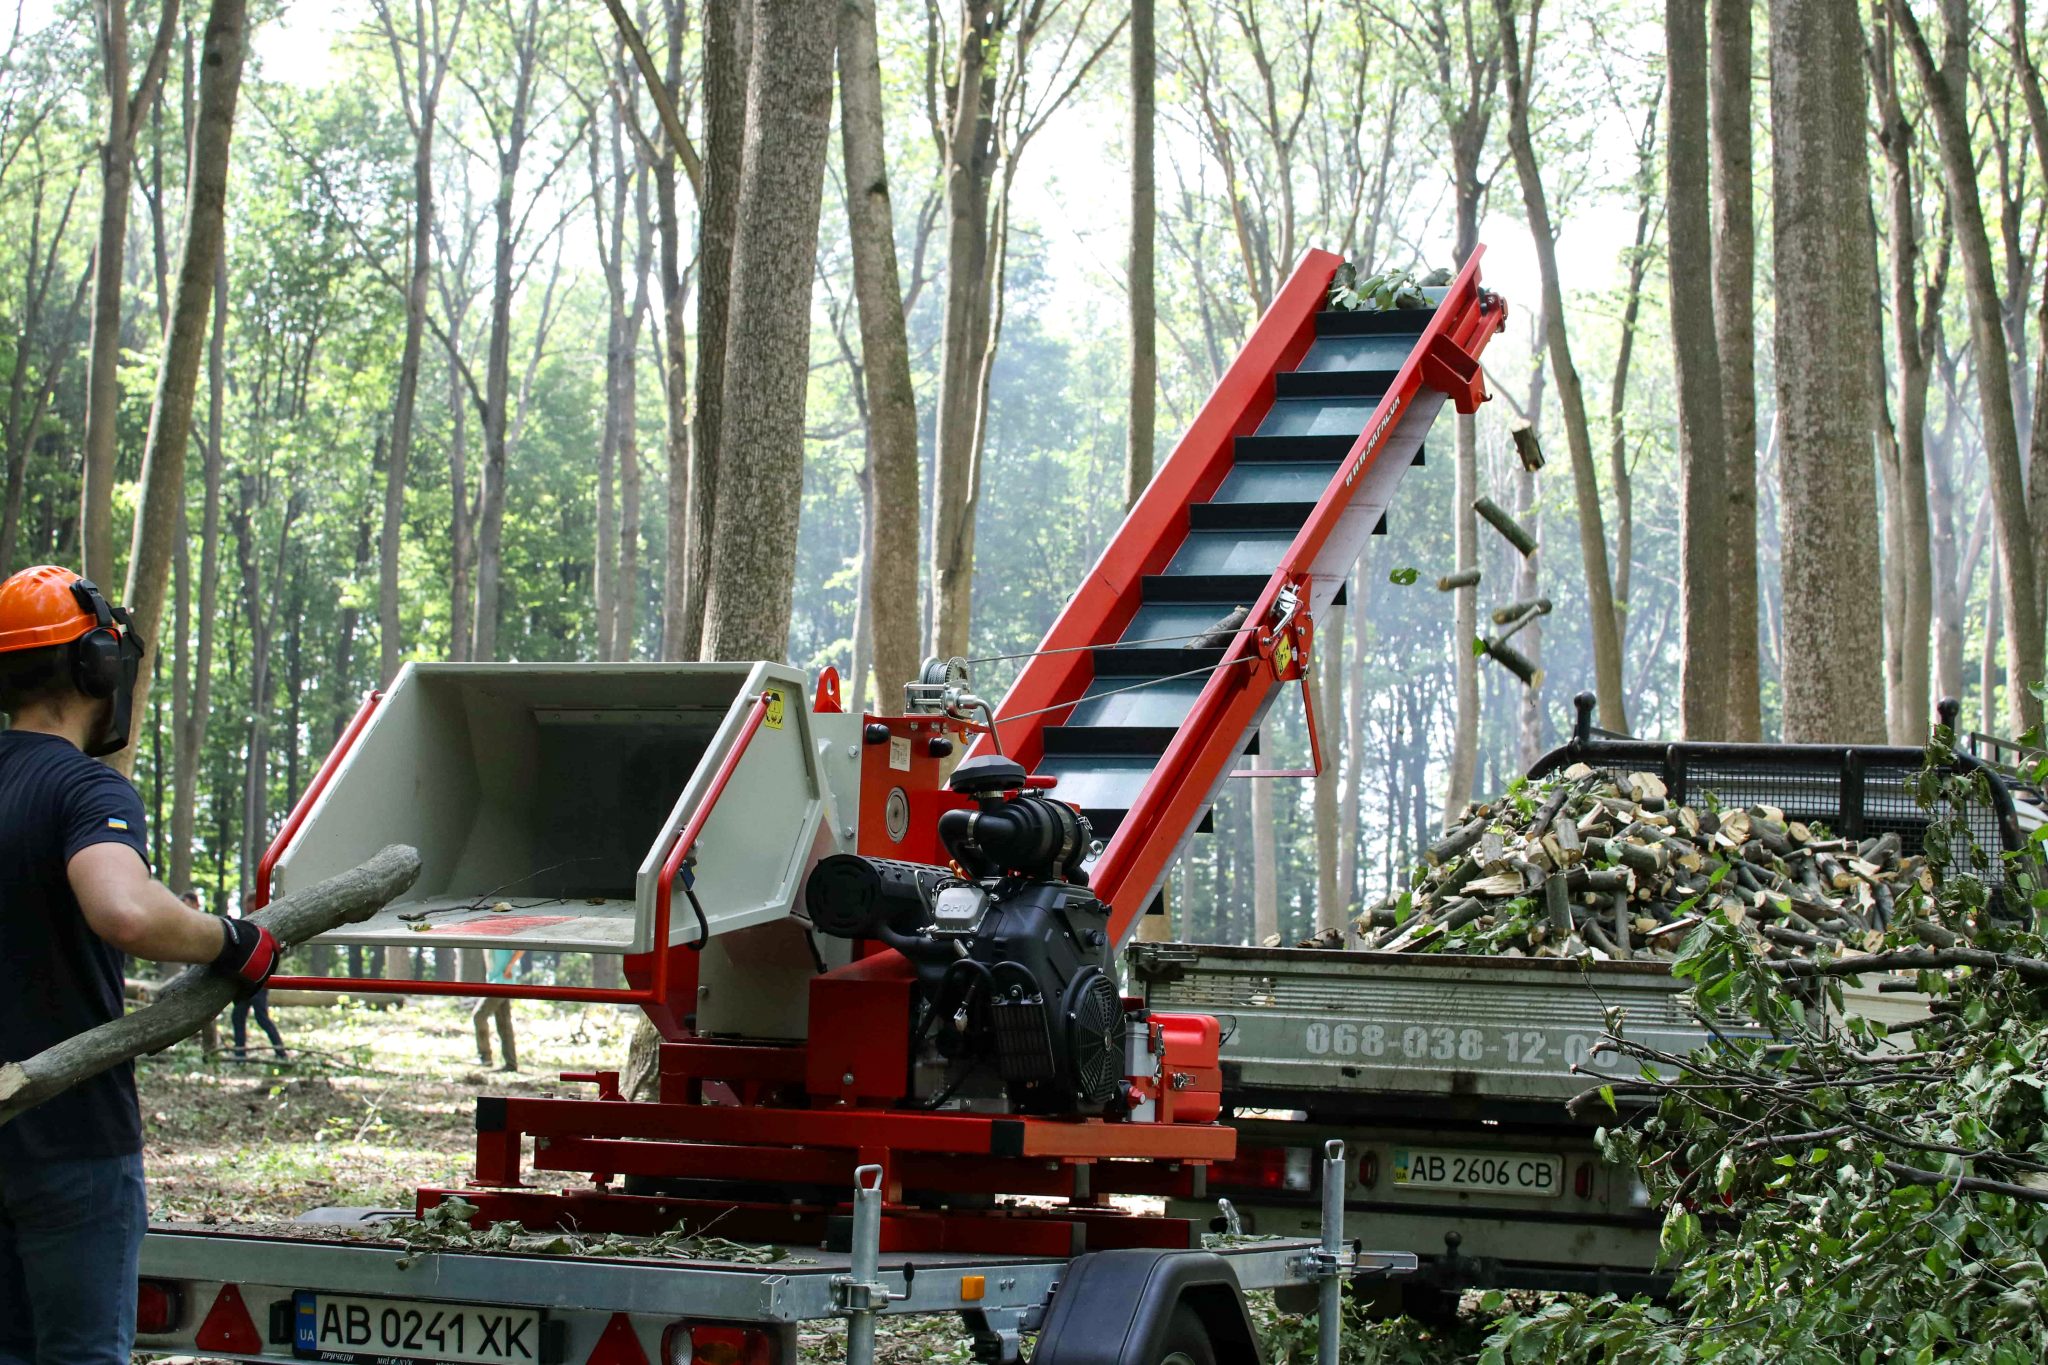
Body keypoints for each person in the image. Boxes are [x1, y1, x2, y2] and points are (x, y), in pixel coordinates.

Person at [0, 566, 278, 1365]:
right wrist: (232, 941)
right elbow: (124, 909)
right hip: (71, 1139)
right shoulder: (83, 787)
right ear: (97, 667)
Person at [230, 894, 288, 1061]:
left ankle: (281, 1053)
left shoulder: (267, 924)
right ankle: (239, 1055)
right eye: (246, 903)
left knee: (262, 1018)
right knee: (238, 1016)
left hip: (260, 980)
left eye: (250, 902)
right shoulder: (244, 924)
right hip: (244, 981)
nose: (247, 906)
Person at [472, 948, 521, 1072]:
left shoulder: (506, 936)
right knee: (504, 1025)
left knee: (479, 1016)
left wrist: (510, 966)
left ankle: (485, 1057)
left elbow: (522, 947)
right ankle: (511, 1063)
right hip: (497, 980)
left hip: (502, 980)